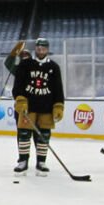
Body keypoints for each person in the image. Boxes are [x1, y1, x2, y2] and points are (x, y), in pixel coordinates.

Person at [11, 37, 64, 177]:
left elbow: (58, 89)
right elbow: (18, 85)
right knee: (24, 133)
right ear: (35, 48)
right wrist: (20, 99)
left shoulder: (54, 67)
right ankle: (23, 161)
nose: (41, 50)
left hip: (46, 107)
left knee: (44, 135)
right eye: (38, 48)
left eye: (43, 48)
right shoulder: (25, 64)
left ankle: (41, 162)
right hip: (29, 107)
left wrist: (58, 105)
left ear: (47, 49)